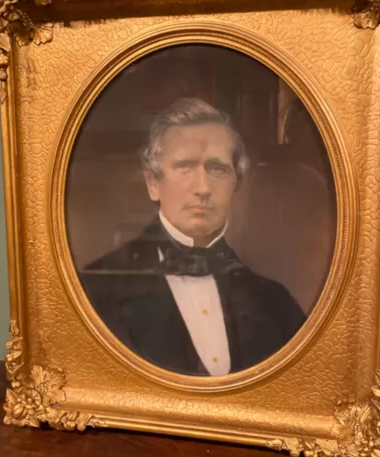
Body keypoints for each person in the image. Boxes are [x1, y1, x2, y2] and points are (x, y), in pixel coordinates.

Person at [79, 98, 306, 376]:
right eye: (185, 166)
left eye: (217, 168)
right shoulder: (92, 293)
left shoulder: (276, 304)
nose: (203, 187)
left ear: (236, 184)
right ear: (153, 183)